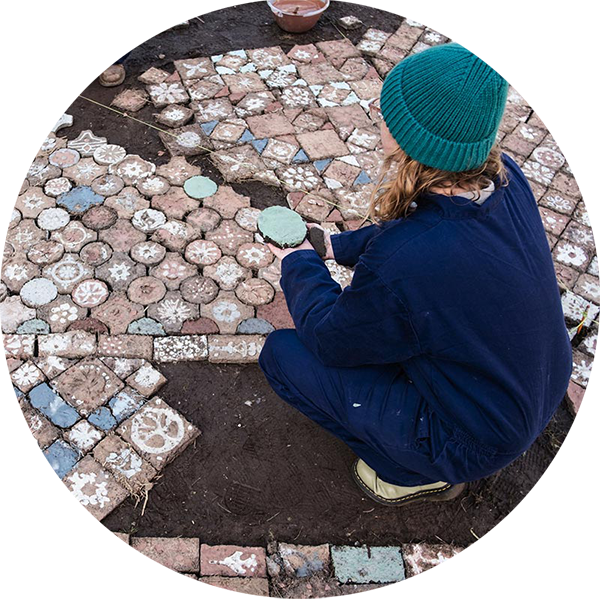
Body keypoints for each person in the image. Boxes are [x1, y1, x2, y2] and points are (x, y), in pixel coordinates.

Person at [258, 43, 573, 506]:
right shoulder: (506, 177)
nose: (378, 116)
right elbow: (417, 232)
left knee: (283, 354)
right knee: (401, 331)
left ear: (413, 142)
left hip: (476, 440)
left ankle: (409, 473)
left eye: (388, 115)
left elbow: (329, 338)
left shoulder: (405, 261)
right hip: (535, 387)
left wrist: (299, 262)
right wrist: (333, 246)